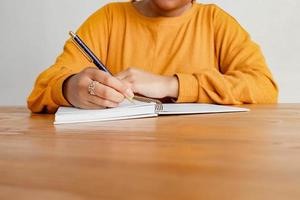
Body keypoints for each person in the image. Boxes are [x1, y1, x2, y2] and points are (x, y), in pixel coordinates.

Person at [28, 0, 278, 113]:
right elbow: (42, 89)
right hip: (115, 161)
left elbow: (264, 86)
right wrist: (71, 88)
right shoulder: (108, 18)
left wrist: (173, 84)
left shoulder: (215, 22)